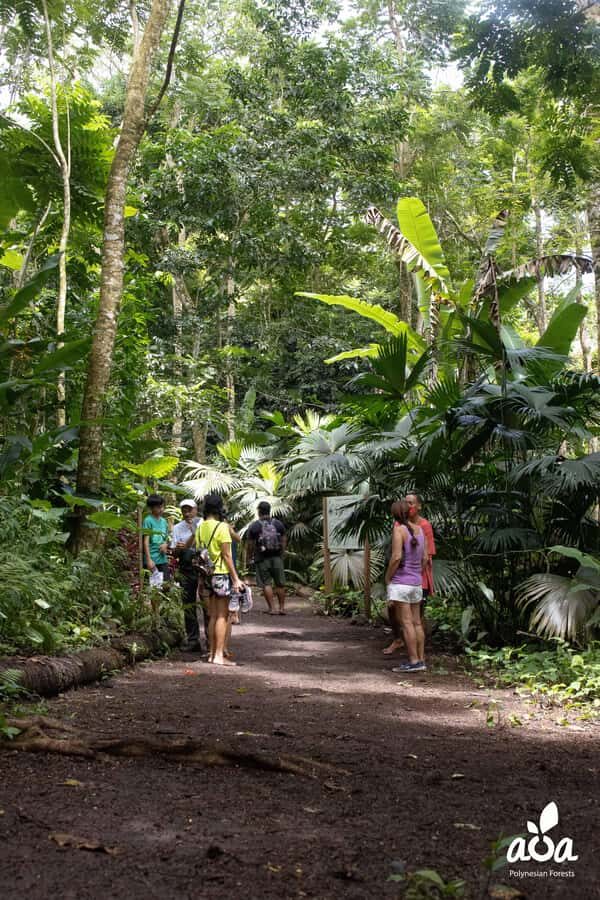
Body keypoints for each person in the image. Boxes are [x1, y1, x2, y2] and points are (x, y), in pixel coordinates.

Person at [382, 492, 436, 656]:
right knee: (413, 621)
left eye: (411, 503)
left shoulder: (418, 527)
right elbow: (424, 556)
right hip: (415, 579)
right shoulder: (416, 529)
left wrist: (389, 577)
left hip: (407, 579)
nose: (409, 506)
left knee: (409, 621)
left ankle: (414, 659)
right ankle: (418, 657)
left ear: (418, 506)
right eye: (406, 503)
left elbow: (398, 556)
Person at [195, 494, 244, 666]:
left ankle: (211, 653)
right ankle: (218, 656)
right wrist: (236, 578)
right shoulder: (222, 527)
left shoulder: (200, 527)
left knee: (213, 616)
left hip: (206, 575)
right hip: (221, 575)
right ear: (219, 508)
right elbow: (226, 555)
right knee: (223, 616)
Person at [171, 499, 204, 652]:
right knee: (189, 604)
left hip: (204, 566)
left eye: (190, 509)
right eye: (184, 510)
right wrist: (179, 549)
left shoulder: (204, 523)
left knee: (207, 603)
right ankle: (193, 640)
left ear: (196, 510)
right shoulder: (177, 528)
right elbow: (174, 552)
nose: (187, 513)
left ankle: (211, 640)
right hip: (186, 567)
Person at [247, 501, 287, 614]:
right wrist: (282, 553)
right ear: (269, 510)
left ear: (259, 511)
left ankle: (272, 608)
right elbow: (284, 539)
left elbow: (250, 545)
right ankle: (282, 608)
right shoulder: (278, 524)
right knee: (280, 583)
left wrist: (249, 558)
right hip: (277, 557)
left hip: (262, 558)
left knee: (266, 583)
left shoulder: (254, 526)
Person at [142, 494, 170, 582]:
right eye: (158, 507)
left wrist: (166, 544)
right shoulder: (148, 520)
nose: (161, 509)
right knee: (153, 587)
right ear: (151, 508)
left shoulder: (164, 521)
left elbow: (166, 538)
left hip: (162, 559)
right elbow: (145, 542)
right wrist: (148, 560)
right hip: (152, 560)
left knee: (166, 585)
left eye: (162, 507)